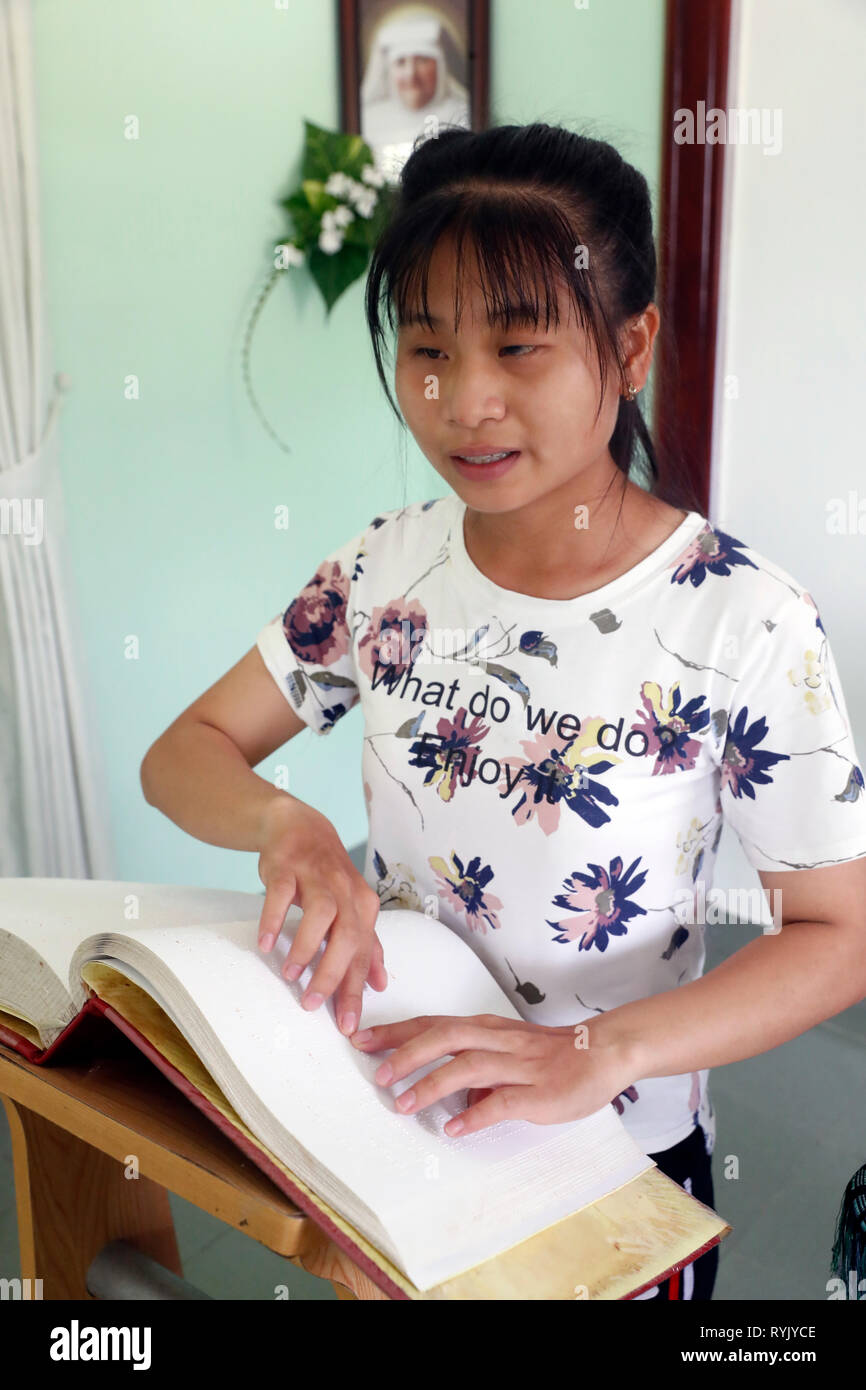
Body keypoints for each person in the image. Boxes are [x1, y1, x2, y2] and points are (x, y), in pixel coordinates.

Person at [140, 122, 866, 1302]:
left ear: (629, 349)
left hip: (607, 1159)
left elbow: (840, 933)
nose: (464, 399)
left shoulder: (740, 620)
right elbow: (185, 753)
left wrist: (599, 1050)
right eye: (424, 347)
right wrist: (291, 827)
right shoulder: (383, 570)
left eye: (519, 347)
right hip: (388, 1126)